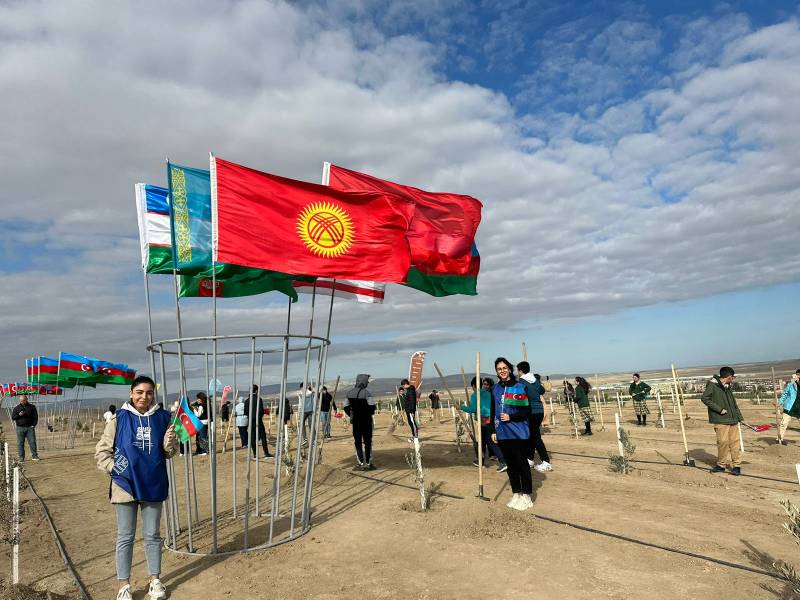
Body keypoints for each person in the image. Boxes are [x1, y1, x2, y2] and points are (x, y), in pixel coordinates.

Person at [94, 375, 178, 600]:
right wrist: (116, 470)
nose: (144, 397)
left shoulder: (163, 418)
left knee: (152, 534)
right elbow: (102, 451)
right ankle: (124, 585)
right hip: (125, 486)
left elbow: (169, 452)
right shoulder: (118, 419)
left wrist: (169, 442)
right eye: (139, 392)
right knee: (125, 536)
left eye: (149, 392)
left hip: (153, 483)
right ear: (131, 393)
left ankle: (155, 581)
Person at [489, 358, 533, 511]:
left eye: (504, 367)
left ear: (509, 369)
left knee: (521, 464)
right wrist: (492, 431)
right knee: (511, 465)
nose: (502, 370)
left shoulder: (519, 386)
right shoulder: (495, 389)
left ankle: (526, 495)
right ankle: (516, 492)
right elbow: (493, 410)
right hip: (502, 432)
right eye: (499, 368)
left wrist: (511, 417)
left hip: (517, 431)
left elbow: (526, 411)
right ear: (496, 371)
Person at [701, 366, 744, 475]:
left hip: (733, 419)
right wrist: (719, 410)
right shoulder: (712, 385)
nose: (733, 379)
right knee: (723, 443)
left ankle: (736, 466)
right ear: (729, 377)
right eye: (732, 377)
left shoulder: (728, 387)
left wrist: (739, 418)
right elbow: (705, 398)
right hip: (721, 420)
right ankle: (721, 465)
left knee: (735, 443)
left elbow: (734, 404)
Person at [461, 376, 506, 472]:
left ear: (473, 385)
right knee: (483, 441)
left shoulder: (475, 395)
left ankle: (503, 461)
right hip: (491, 419)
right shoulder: (488, 393)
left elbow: (473, 409)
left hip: (485, 421)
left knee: (489, 441)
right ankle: (480, 460)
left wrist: (462, 407)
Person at [517, 362, 552, 472]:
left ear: (520, 370)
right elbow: (542, 391)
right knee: (532, 435)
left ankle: (546, 461)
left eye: (517, 370)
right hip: (539, 410)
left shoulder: (521, 381)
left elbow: (519, 396)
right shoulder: (534, 379)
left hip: (530, 411)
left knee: (535, 437)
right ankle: (530, 459)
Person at [344, 374, 376, 470]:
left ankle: (360, 463)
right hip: (366, 421)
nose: (368, 382)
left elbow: (345, 407)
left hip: (356, 421)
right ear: (363, 381)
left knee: (357, 442)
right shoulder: (367, 393)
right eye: (367, 380)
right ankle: (369, 463)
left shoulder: (349, 393)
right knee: (368, 442)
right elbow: (372, 407)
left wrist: (352, 415)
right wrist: (367, 414)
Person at [11, 395, 40, 462]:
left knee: (32, 442)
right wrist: (19, 415)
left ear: (26, 399)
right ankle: (21, 457)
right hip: (20, 428)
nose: (22, 402)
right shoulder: (16, 408)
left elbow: (35, 417)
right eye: (21, 401)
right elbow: (13, 417)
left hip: (30, 428)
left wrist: (33, 425)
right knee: (20, 443)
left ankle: (34, 456)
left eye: (24, 400)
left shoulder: (32, 407)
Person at [245, 385, 271, 460]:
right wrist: (260, 415)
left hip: (250, 420)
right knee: (263, 437)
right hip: (258, 420)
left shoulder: (247, 401)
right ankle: (266, 453)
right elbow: (260, 410)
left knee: (253, 437)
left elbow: (245, 412)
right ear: (256, 391)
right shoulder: (259, 399)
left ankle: (255, 455)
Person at [778, 370, 800, 443]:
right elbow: (785, 394)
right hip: (790, 407)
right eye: (798, 375)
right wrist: (779, 402)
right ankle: (780, 440)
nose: (799, 376)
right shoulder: (791, 385)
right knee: (783, 424)